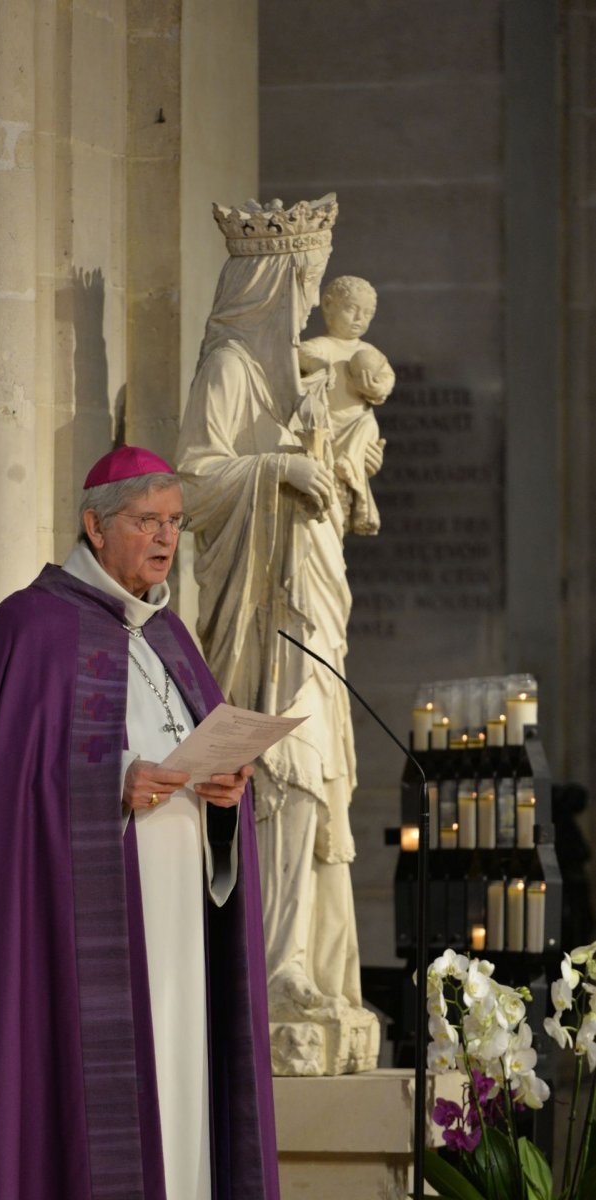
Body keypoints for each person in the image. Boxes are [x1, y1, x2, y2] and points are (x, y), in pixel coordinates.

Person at [0, 445, 279, 1200]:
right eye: (146, 521)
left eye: (173, 522)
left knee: (178, 1105)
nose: (166, 538)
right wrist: (115, 782)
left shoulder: (172, 640)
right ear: (94, 526)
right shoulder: (28, 629)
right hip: (73, 945)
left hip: (181, 943)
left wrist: (222, 799)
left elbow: (199, 764)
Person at [176, 198, 378, 1047]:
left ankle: (301, 960)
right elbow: (190, 482)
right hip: (255, 614)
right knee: (278, 767)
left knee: (312, 769)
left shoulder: (302, 379)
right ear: (267, 280)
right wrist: (281, 467)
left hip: (311, 596)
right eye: (302, 276)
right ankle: (267, 963)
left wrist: (334, 460)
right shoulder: (229, 367)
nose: (311, 298)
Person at [297, 275, 393, 535]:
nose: (359, 318)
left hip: (355, 427)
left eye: (367, 313)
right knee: (327, 519)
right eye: (351, 309)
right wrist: (319, 366)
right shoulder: (323, 346)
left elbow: (386, 378)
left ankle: (350, 465)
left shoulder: (368, 352)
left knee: (367, 422)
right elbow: (301, 354)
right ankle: (347, 471)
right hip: (328, 431)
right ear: (328, 305)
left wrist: (375, 388)